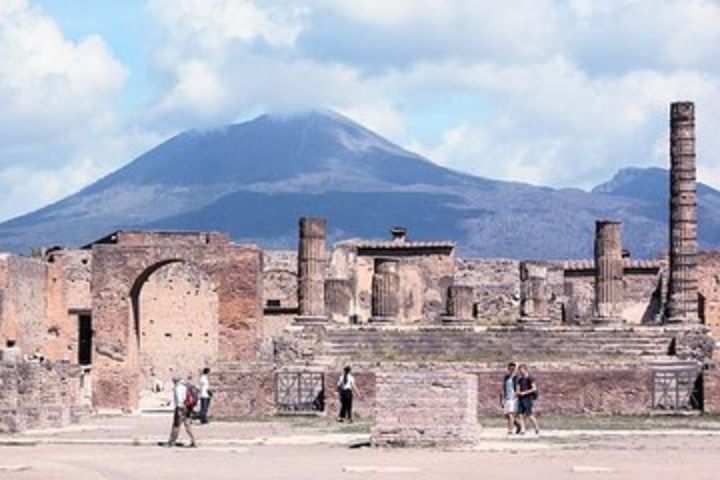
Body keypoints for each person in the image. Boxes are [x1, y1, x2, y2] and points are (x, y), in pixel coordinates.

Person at [166, 376, 196, 447]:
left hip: (181, 408)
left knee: (176, 426)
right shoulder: (184, 387)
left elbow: (180, 400)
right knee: (188, 425)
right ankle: (193, 441)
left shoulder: (178, 388)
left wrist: (179, 410)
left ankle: (171, 442)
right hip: (187, 408)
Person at [516, 364, 540, 435]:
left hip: (528, 398)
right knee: (520, 414)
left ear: (525, 369)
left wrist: (524, 393)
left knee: (529, 415)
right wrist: (517, 393)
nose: (520, 371)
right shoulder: (520, 379)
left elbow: (534, 388)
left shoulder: (530, 378)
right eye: (519, 370)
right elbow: (518, 388)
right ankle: (523, 429)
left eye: (521, 370)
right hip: (521, 399)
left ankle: (536, 427)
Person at [501, 362, 520, 435]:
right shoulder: (506, 377)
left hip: (513, 397)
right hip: (507, 397)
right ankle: (517, 424)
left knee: (510, 414)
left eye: (513, 368)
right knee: (506, 415)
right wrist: (503, 396)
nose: (511, 370)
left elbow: (518, 387)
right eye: (510, 368)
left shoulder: (517, 378)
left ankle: (510, 430)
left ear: (515, 369)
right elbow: (504, 387)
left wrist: (516, 395)